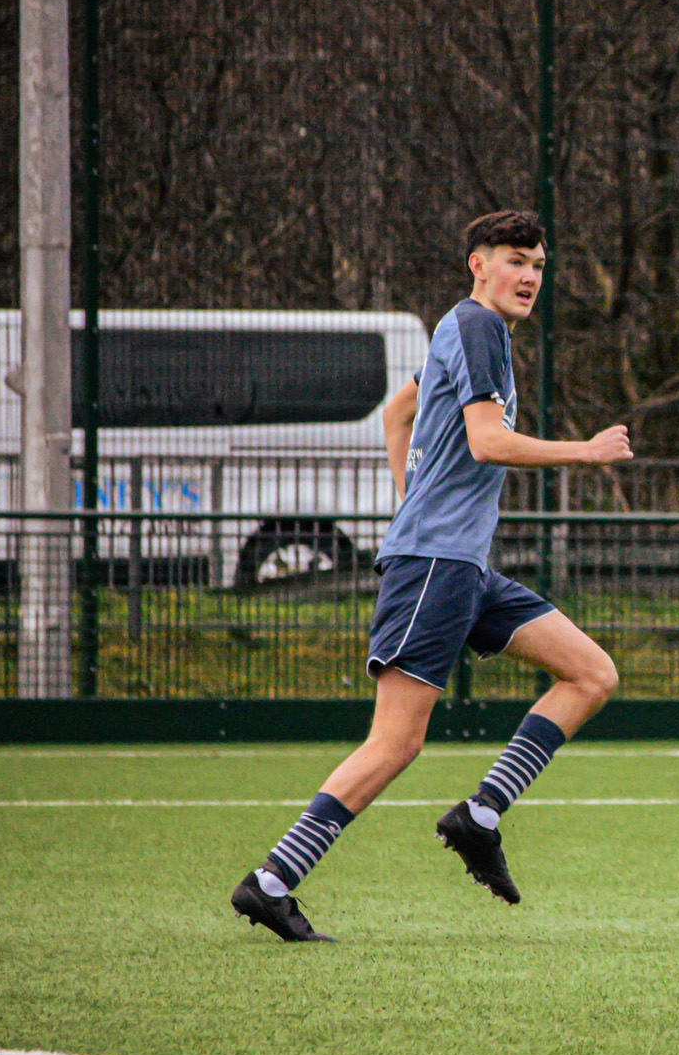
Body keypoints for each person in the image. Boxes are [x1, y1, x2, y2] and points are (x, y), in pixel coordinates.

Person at [230, 210, 633, 940]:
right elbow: (486, 441)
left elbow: (397, 413)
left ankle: (479, 815)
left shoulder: (473, 332)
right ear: (478, 264)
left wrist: (411, 504)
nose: (531, 275)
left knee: (591, 673)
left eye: (539, 263)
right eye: (516, 260)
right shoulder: (477, 325)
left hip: (462, 565)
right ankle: (271, 880)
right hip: (434, 567)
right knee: (395, 743)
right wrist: (585, 452)